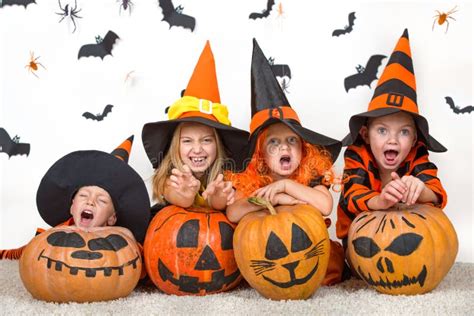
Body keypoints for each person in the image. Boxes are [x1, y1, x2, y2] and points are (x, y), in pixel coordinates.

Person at [226, 39, 345, 285]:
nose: (284, 146)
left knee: (332, 261)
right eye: (273, 142)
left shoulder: (310, 178)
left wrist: (286, 187)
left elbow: (324, 205)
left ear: (304, 150)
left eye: (292, 140)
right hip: (269, 257)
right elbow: (234, 212)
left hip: (312, 252)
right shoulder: (255, 182)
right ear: (260, 154)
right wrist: (273, 200)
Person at [336, 29, 448, 271]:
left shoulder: (416, 153)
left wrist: (422, 190)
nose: (394, 141)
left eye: (404, 132)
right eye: (382, 131)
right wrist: (381, 200)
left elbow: (437, 192)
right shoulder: (358, 153)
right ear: (366, 134)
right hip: (362, 239)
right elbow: (352, 195)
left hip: (408, 236)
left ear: (415, 137)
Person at [141, 41, 249, 214]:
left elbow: (221, 204)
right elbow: (175, 195)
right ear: (176, 145)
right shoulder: (172, 177)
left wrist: (218, 198)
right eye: (187, 141)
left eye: (206, 140)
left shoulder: (227, 178)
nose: (197, 149)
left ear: (218, 145)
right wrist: (187, 193)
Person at [1, 136, 150, 259]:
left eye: (102, 200)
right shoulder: (60, 232)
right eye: (84, 195)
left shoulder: (120, 238)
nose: (90, 201)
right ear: (72, 207)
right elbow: (29, 251)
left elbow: (140, 258)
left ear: (111, 218)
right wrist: (6, 254)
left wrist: (124, 234)